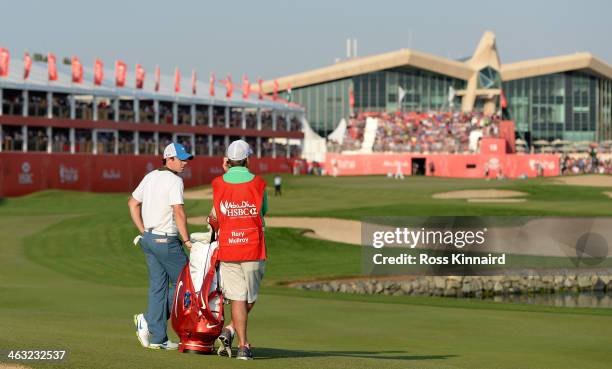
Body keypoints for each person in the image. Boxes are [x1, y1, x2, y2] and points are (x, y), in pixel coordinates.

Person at [128, 142, 194, 350]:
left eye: (186, 159)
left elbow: (132, 203)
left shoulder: (151, 176)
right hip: (167, 242)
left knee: (158, 288)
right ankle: (148, 319)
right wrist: (187, 241)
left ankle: (158, 339)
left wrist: (143, 232)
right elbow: (178, 212)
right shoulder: (175, 181)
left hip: (149, 239)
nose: (184, 163)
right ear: (169, 159)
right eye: (181, 159)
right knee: (187, 285)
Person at [210, 139, 268, 360]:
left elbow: (216, 212)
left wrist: (226, 173)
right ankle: (236, 337)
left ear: (228, 160)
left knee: (237, 299)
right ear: (247, 159)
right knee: (249, 298)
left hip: (229, 248)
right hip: (252, 247)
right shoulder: (259, 183)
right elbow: (263, 211)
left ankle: (240, 343)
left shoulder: (217, 183)